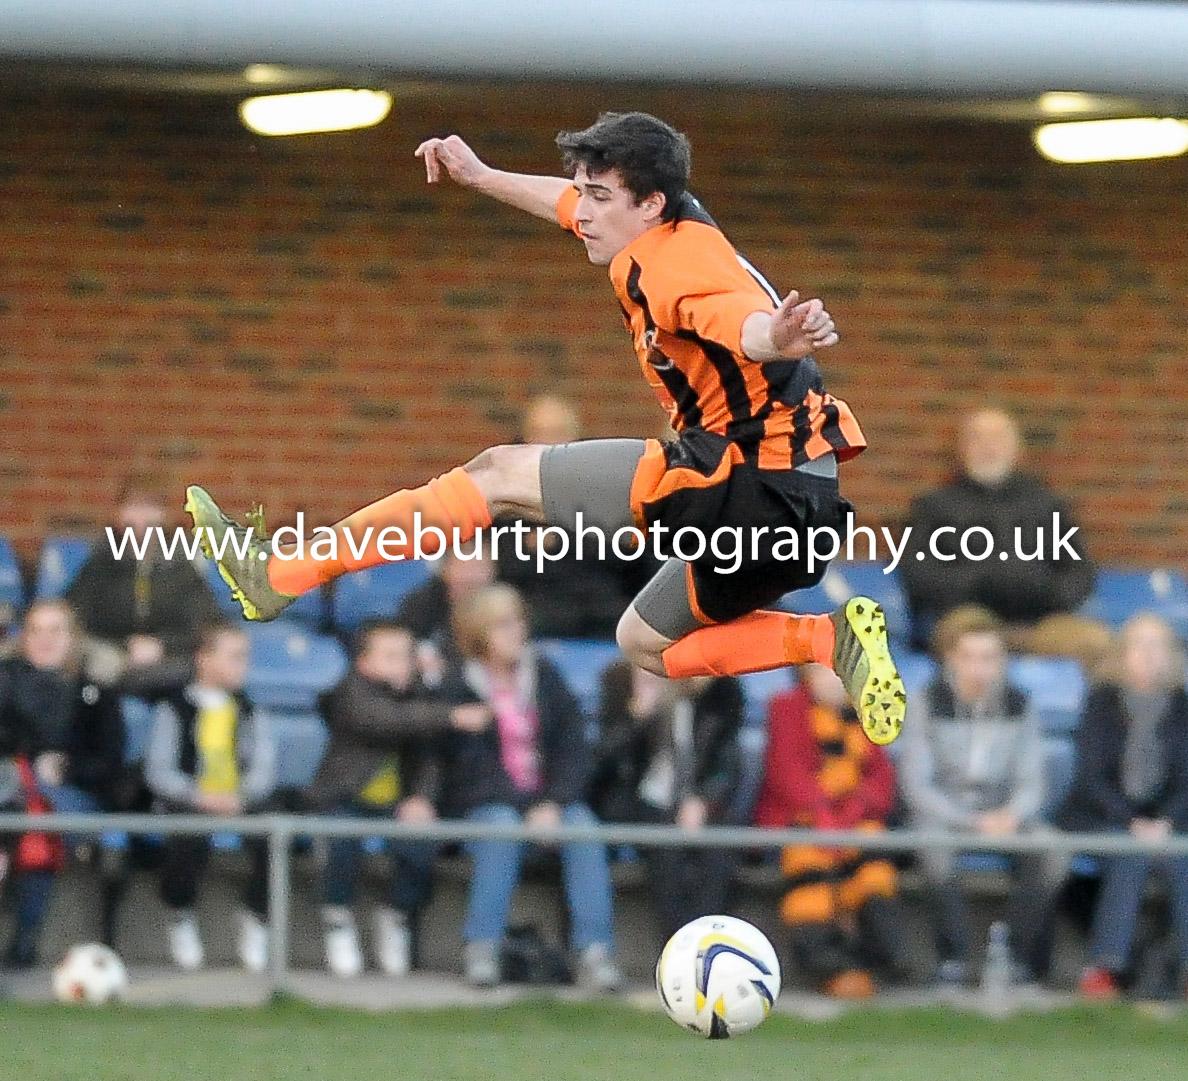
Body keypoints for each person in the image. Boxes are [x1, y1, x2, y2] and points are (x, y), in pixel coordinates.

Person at [185, 110, 904, 748]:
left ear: (649, 203)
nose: (583, 212)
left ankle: (278, 576)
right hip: (801, 498)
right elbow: (562, 203)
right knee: (644, 642)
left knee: (498, 473)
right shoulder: (666, 220)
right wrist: (481, 174)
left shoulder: (676, 268)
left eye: (600, 197)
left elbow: (737, 323)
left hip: (748, 480)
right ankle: (827, 637)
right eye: (584, 191)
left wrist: (777, 335)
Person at [438, 584, 621, 990]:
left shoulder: (547, 678)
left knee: (584, 825)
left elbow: (574, 748)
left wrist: (552, 801)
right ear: (480, 633)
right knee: (502, 825)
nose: (516, 631)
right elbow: (469, 770)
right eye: (503, 624)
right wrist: (528, 806)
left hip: (549, 804)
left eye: (518, 621)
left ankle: (595, 952)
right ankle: (482, 947)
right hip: (487, 805)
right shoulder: (458, 687)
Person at [307, 619, 491, 978]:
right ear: (364, 663)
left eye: (406, 655)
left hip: (395, 805)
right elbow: (384, 720)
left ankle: (396, 914)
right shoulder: (348, 694)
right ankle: (337, 916)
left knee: (421, 843)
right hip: (346, 798)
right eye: (390, 656)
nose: (402, 664)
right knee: (340, 837)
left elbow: (428, 759)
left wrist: (421, 797)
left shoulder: (420, 699)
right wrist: (451, 716)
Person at [898, 605, 1067, 987]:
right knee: (932, 845)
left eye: (989, 657)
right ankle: (953, 959)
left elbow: (1032, 780)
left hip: (1006, 814)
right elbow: (918, 785)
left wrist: (1011, 814)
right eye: (969, 657)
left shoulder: (1021, 705)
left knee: (1052, 849)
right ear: (951, 659)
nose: (980, 667)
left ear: (1003, 661)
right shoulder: (926, 702)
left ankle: (1020, 959)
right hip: (946, 816)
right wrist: (970, 821)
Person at [755, 664, 911, 997]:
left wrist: (850, 814)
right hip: (802, 820)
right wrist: (825, 816)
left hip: (855, 822)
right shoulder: (786, 708)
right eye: (826, 673)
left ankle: (883, 956)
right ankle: (828, 964)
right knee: (809, 862)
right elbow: (786, 775)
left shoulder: (869, 713)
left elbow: (880, 782)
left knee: (874, 866)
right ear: (807, 676)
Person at [1058, 614, 1188, 999]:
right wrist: (1131, 821)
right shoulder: (1100, 705)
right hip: (1104, 816)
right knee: (1128, 855)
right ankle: (1106, 966)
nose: (1149, 656)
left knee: (1184, 858)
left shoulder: (1184, 709)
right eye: (1140, 646)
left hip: (1171, 821)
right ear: (1122, 654)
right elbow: (1090, 778)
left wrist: (1166, 820)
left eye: (1158, 646)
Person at [901, 409, 1096, 655]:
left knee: (1096, 644)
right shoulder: (933, 507)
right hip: (965, 621)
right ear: (961, 448)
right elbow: (916, 574)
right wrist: (978, 584)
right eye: (977, 438)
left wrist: (1043, 591)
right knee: (969, 644)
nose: (988, 447)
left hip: (1038, 623)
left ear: (1017, 448)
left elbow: (1079, 572)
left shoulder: (1047, 505)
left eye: (998, 438)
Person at [0, 600, 130, 966]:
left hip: (70, 798)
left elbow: (110, 763)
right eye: (36, 630)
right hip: (13, 788)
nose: (45, 640)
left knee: (35, 817)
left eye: (55, 630)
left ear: (73, 638)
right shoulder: (5, 683)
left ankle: (26, 939)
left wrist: (68, 768)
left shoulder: (96, 694)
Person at [144, 623, 275, 972]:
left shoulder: (249, 710)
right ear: (204, 658)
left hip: (237, 803)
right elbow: (159, 771)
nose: (242, 664)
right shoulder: (173, 709)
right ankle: (181, 912)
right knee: (189, 837)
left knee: (271, 836)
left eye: (245, 657)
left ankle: (256, 916)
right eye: (234, 656)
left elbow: (263, 766)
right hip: (189, 803)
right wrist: (198, 796)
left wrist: (240, 797)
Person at [588, 660, 742, 943]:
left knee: (722, 842)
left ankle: (707, 940)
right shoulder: (619, 684)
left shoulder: (720, 693)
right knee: (665, 840)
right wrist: (637, 719)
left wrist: (703, 800)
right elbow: (600, 763)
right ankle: (679, 944)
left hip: (698, 801)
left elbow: (728, 764)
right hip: (641, 800)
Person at [68, 474, 221, 697]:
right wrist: (120, 650)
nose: (140, 517)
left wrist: (161, 646)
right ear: (119, 514)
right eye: (132, 507)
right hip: (111, 662)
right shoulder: (100, 561)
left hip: (170, 664)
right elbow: (76, 615)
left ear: (163, 515)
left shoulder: (181, 566)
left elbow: (203, 624)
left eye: (149, 507)